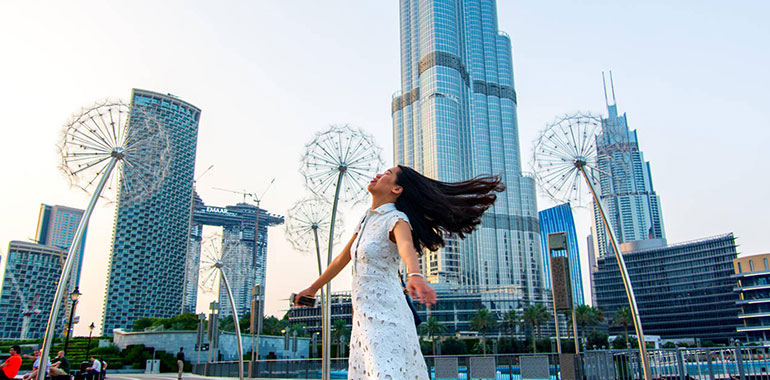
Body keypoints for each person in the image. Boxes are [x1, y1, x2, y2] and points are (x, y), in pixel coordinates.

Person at [295, 165, 503, 379]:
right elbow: (341, 259)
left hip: (388, 316)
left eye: (387, 174)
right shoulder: (365, 220)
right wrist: (313, 288)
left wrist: (415, 274)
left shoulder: (397, 219)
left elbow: (406, 245)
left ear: (396, 189)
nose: (378, 174)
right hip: (363, 320)